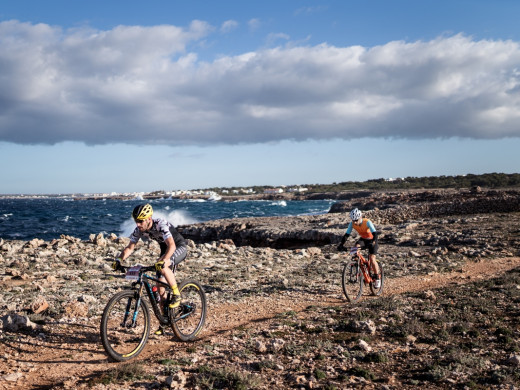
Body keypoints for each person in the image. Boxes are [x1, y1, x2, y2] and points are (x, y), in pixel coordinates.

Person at [112, 203, 188, 335]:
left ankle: (177, 295)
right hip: (165, 250)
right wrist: (119, 260)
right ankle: (165, 323)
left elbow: (172, 246)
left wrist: (164, 260)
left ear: (148, 219)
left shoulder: (161, 224)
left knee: (163, 266)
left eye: (140, 221)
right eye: (136, 221)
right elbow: (130, 247)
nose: (138, 225)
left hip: (177, 247)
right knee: (160, 289)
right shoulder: (139, 229)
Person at [337, 208, 381, 288]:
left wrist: (374, 242)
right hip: (363, 240)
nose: (355, 222)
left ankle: (377, 277)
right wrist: (341, 244)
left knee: (372, 258)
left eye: (356, 220)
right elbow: (347, 235)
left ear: (360, 217)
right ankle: (359, 267)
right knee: (355, 249)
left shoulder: (367, 222)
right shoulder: (352, 224)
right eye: (353, 220)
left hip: (372, 240)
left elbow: (375, 233)